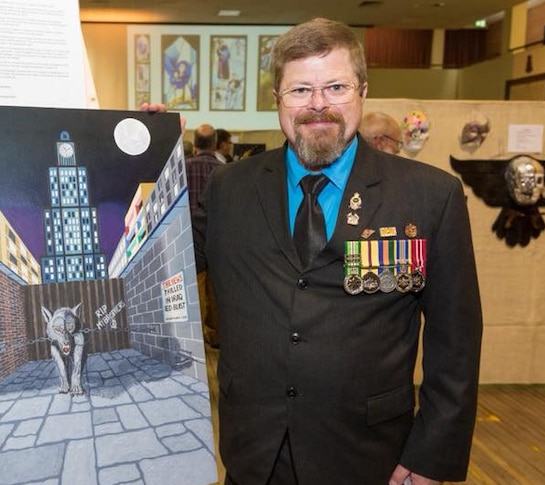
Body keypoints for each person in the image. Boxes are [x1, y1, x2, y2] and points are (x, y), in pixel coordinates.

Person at [180, 17, 482, 485]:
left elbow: (456, 341)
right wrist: (145, 150)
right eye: (300, 90)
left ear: (362, 90)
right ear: (277, 99)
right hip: (255, 456)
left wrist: (432, 454)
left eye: (336, 86)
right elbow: (167, 259)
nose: (318, 105)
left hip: (370, 457)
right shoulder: (230, 189)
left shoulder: (429, 196)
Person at [185, 124, 222, 348]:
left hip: (189, 238)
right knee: (216, 290)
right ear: (215, 143)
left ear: (195, 143)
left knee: (194, 292)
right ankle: (217, 337)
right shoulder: (225, 169)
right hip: (219, 238)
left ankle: (194, 342)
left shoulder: (184, 167)